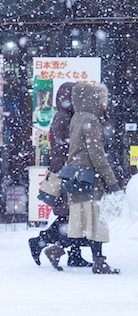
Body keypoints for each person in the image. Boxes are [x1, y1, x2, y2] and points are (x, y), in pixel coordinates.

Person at [45, 82, 121, 274]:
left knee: (83, 222)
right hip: (90, 177)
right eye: (101, 99)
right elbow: (97, 155)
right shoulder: (90, 121)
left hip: (78, 176)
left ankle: (59, 250)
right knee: (94, 221)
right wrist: (111, 181)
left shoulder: (78, 118)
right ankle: (96, 261)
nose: (103, 103)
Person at [28, 82, 91, 268]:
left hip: (70, 171)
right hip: (67, 172)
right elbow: (63, 147)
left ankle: (74, 254)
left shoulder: (69, 116)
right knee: (70, 215)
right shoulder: (63, 118)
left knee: (73, 214)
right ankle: (40, 241)